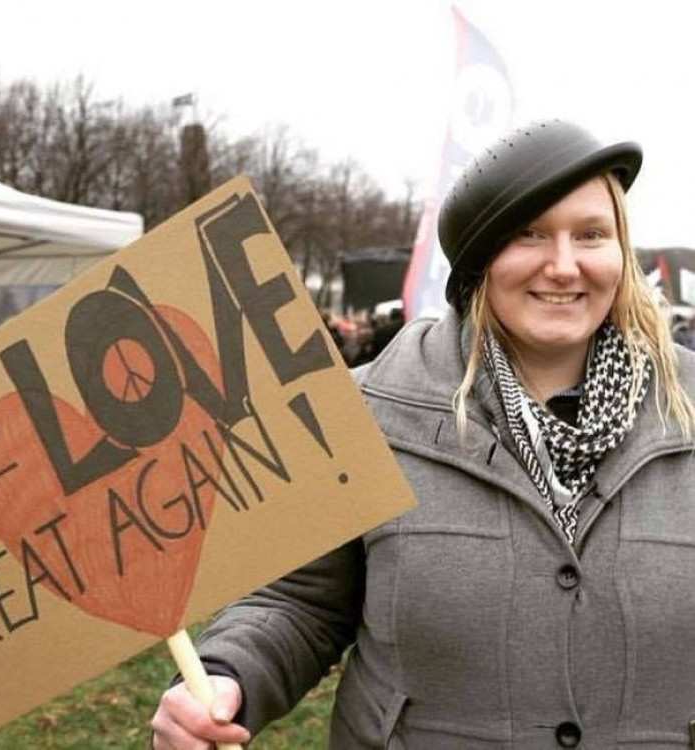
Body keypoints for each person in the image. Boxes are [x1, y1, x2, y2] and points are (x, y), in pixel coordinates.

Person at [150, 119, 695, 749]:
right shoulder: (366, 406)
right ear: (478, 259)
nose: (565, 265)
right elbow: (300, 602)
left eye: (592, 235)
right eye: (529, 234)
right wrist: (229, 677)